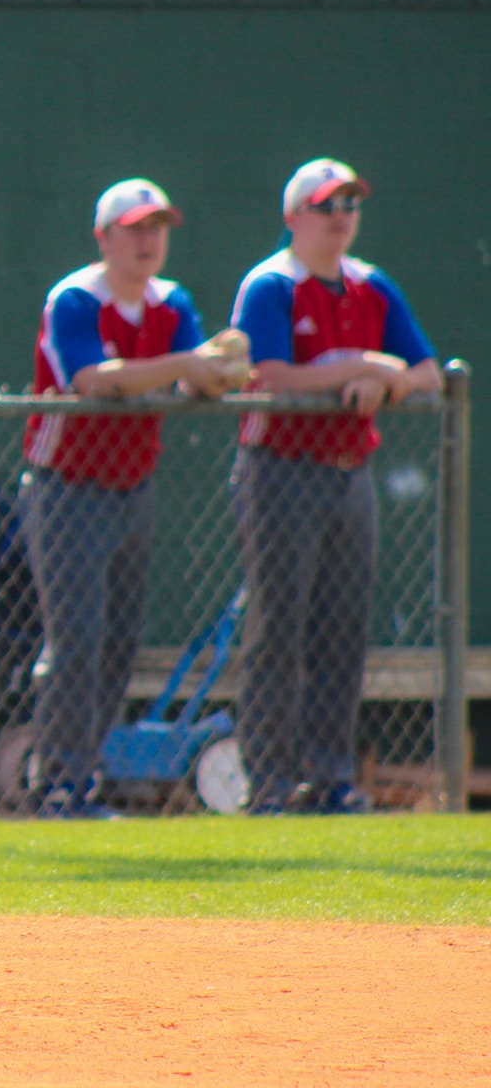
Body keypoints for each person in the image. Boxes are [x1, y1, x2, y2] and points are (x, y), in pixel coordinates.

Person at [20, 179, 245, 818]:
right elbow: (92, 379)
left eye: (158, 227)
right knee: (77, 639)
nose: (148, 240)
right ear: (104, 237)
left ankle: (83, 777)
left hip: (131, 489)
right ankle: (57, 782)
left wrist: (217, 371)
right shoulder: (75, 299)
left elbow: (198, 373)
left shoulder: (171, 303)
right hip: (66, 489)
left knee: (118, 643)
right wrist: (188, 364)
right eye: (134, 227)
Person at [228, 158, 438, 814]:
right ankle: (266, 781)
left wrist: (384, 381)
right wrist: (362, 364)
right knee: (279, 629)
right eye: (326, 206)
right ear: (294, 218)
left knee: (342, 632)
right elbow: (269, 374)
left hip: (350, 475)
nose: (341, 217)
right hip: (280, 474)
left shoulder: (372, 286)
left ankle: (329, 777)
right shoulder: (271, 285)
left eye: (350, 204)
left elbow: (429, 370)